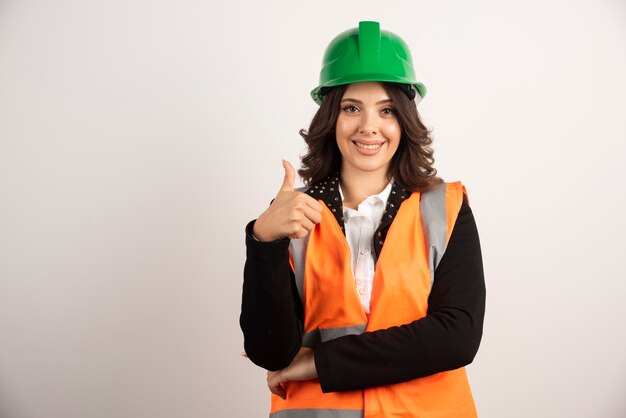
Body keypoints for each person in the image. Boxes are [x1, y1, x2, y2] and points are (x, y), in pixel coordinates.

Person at [240, 21, 485, 418]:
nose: (369, 126)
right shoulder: (292, 213)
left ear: (405, 122)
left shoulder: (446, 207)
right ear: (330, 118)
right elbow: (270, 352)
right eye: (352, 108)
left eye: (386, 110)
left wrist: (319, 363)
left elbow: (457, 337)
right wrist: (263, 240)